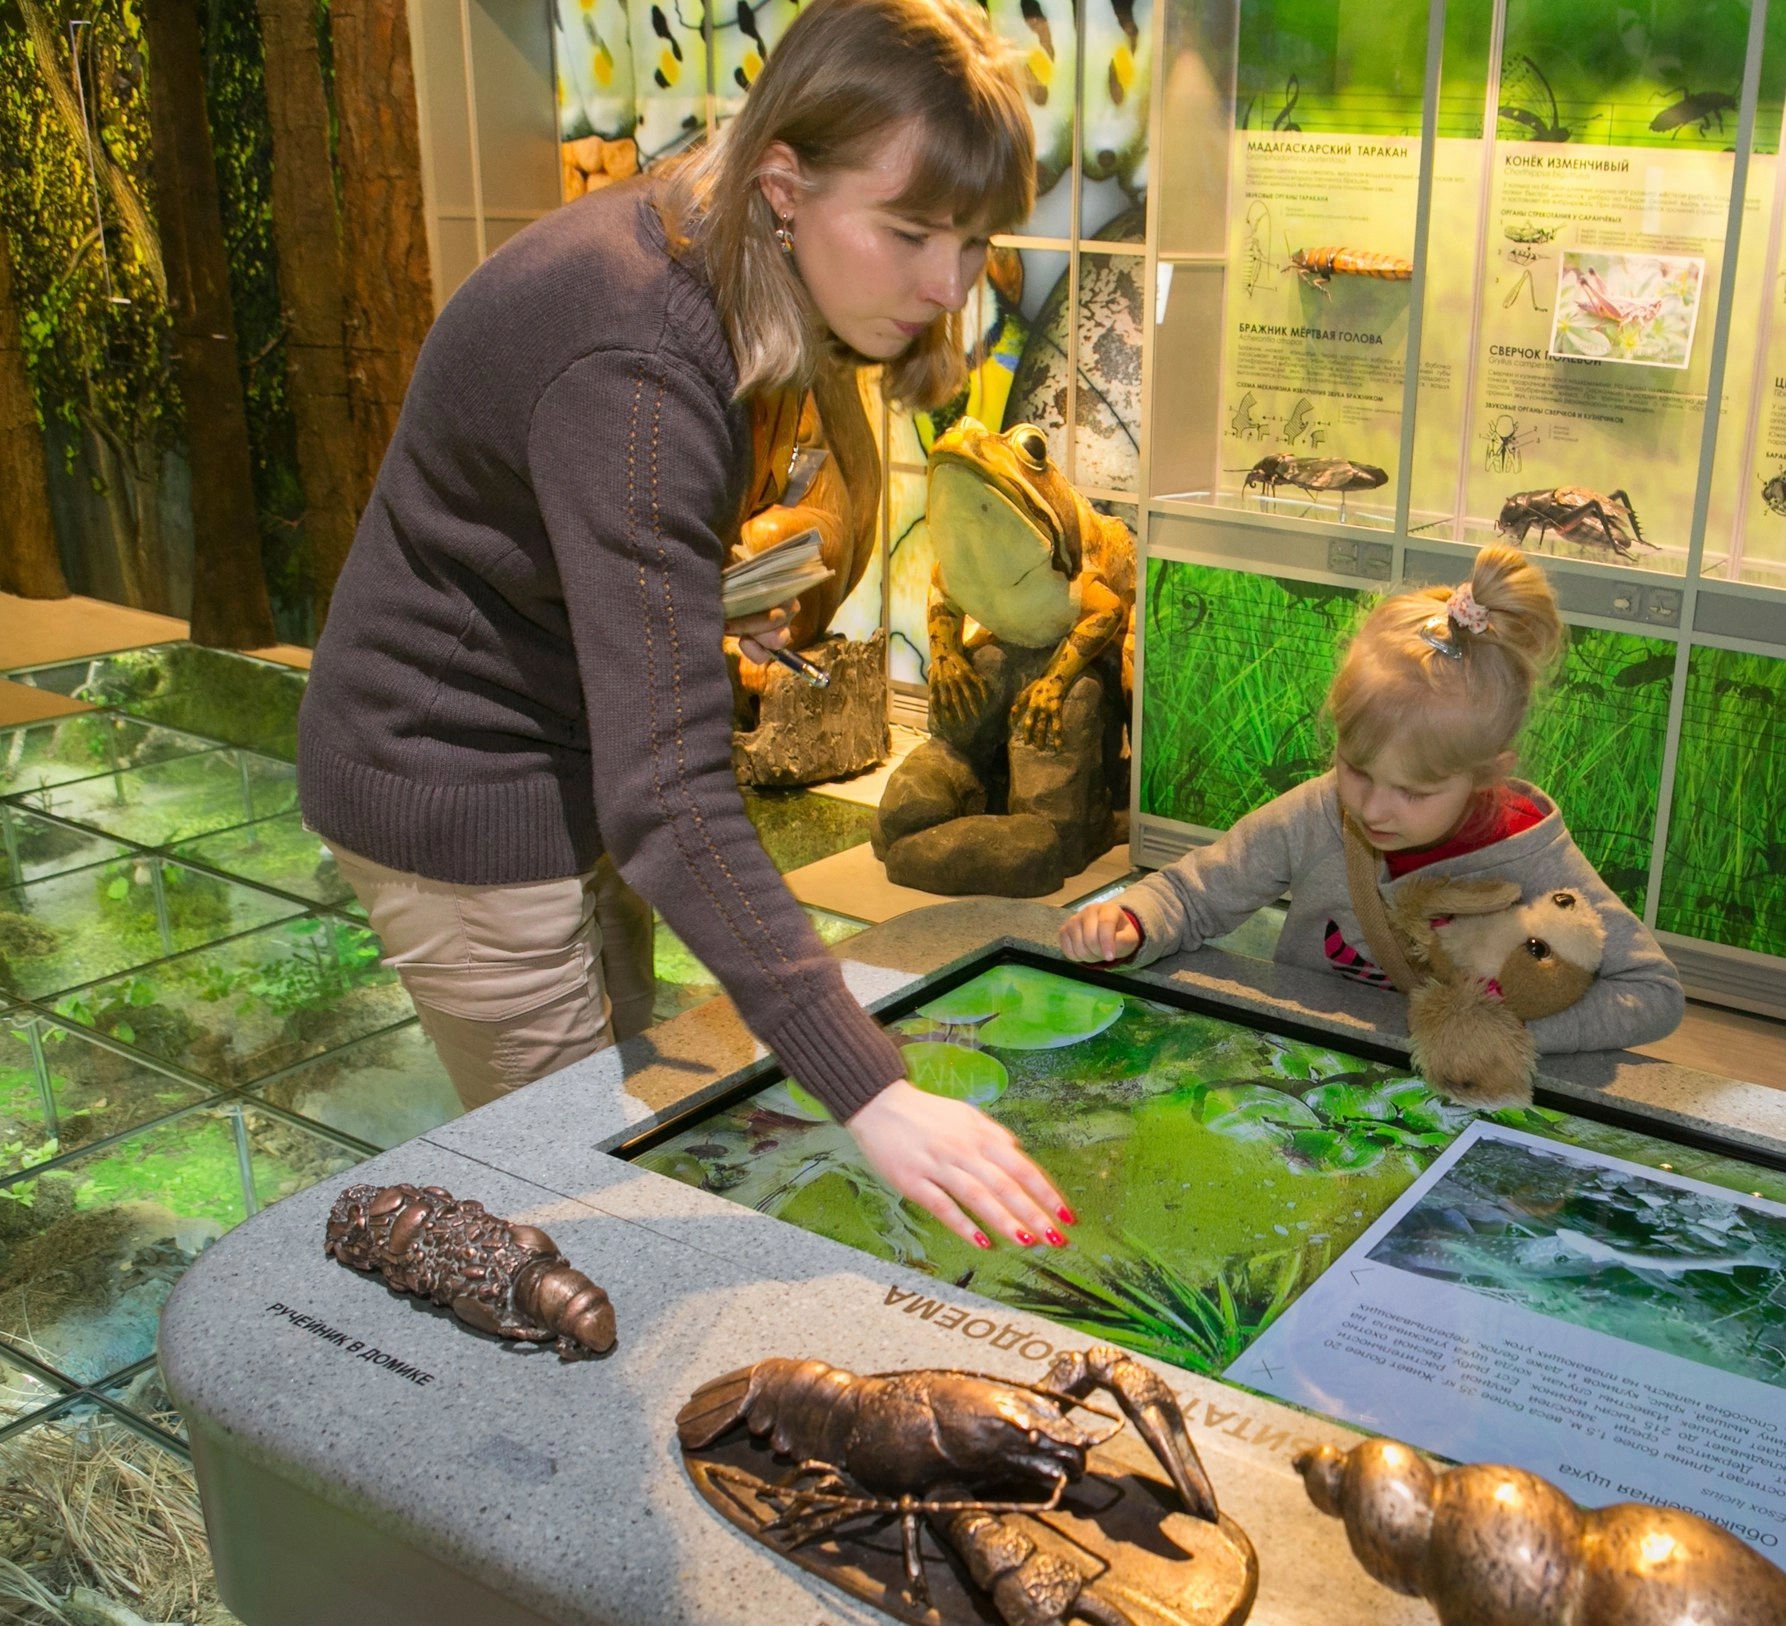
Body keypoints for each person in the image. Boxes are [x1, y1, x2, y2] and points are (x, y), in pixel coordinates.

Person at [299, 0, 1070, 1252]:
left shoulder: (721, 246)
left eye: (974, 240)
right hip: (451, 770)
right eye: (911, 232)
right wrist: (872, 1090)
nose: (947, 285)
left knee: (629, 1084)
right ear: (783, 181)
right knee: (571, 1189)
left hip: (569, 748)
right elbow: (669, 791)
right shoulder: (640, 354)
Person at [1060, 545, 1686, 1056]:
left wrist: (1503, 1038)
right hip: (1306, 1061)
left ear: (1488, 774)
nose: (1374, 809)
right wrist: (1132, 919)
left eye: (1415, 791)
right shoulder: (1317, 810)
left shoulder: (1531, 853)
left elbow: (1652, 991)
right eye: (1357, 769)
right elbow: (1192, 895)